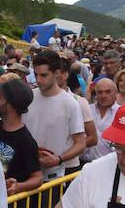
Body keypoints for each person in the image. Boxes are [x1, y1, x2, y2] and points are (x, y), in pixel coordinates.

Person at [23, 51, 86, 182]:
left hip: (56, 177)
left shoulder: (71, 104)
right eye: (36, 74)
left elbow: (80, 144)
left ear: (57, 73)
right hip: (29, 172)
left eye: (44, 75)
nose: (38, 80)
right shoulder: (28, 97)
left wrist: (58, 159)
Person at [0, 77, 42, 196]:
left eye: (0, 97)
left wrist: (19, 187)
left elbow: (37, 177)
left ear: (10, 106)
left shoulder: (26, 141)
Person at [84, 77, 119, 162]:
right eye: (100, 92)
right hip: (84, 164)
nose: (103, 96)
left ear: (116, 93)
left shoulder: (121, 113)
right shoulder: (86, 110)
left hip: (111, 164)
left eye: (108, 92)